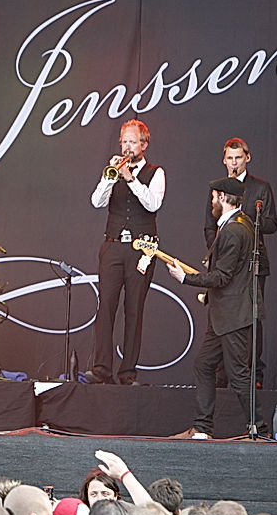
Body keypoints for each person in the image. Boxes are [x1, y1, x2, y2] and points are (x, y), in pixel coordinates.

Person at [169, 176, 263, 439]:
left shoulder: (234, 230)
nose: (211, 202)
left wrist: (186, 278)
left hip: (233, 315)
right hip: (224, 315)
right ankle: (202, 428)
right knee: (204, 364)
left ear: (223, 197)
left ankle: (260, 428)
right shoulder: (237, 225)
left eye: (213, 197)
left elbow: (222, 277)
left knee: (238, 375)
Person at [88, 120, 166, 385]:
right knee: (106, 307)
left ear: (144, 144)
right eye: (124, 141)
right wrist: (111, 179)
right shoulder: (114, 170)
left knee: (134, 310)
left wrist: (130, 178)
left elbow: (153, 203)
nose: (127, 146)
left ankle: (128, 372)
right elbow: (96, 201)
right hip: (112, 247)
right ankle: (101, 369)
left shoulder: (156, 173)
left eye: (133, 142)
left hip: (141, 249)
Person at [203, 138, 277, 387]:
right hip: (225, 263)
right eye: (230, 158)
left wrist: (247, 215)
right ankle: (223, 375)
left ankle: (253, 373)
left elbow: (272, 224)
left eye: (238, 158)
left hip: (253, 264)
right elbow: (208, 226)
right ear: (224, 160)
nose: (234, 163)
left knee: (251, 318)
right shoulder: (218, 188)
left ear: (247, 158)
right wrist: (219, 252)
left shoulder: (260, 187)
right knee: (221, 316)